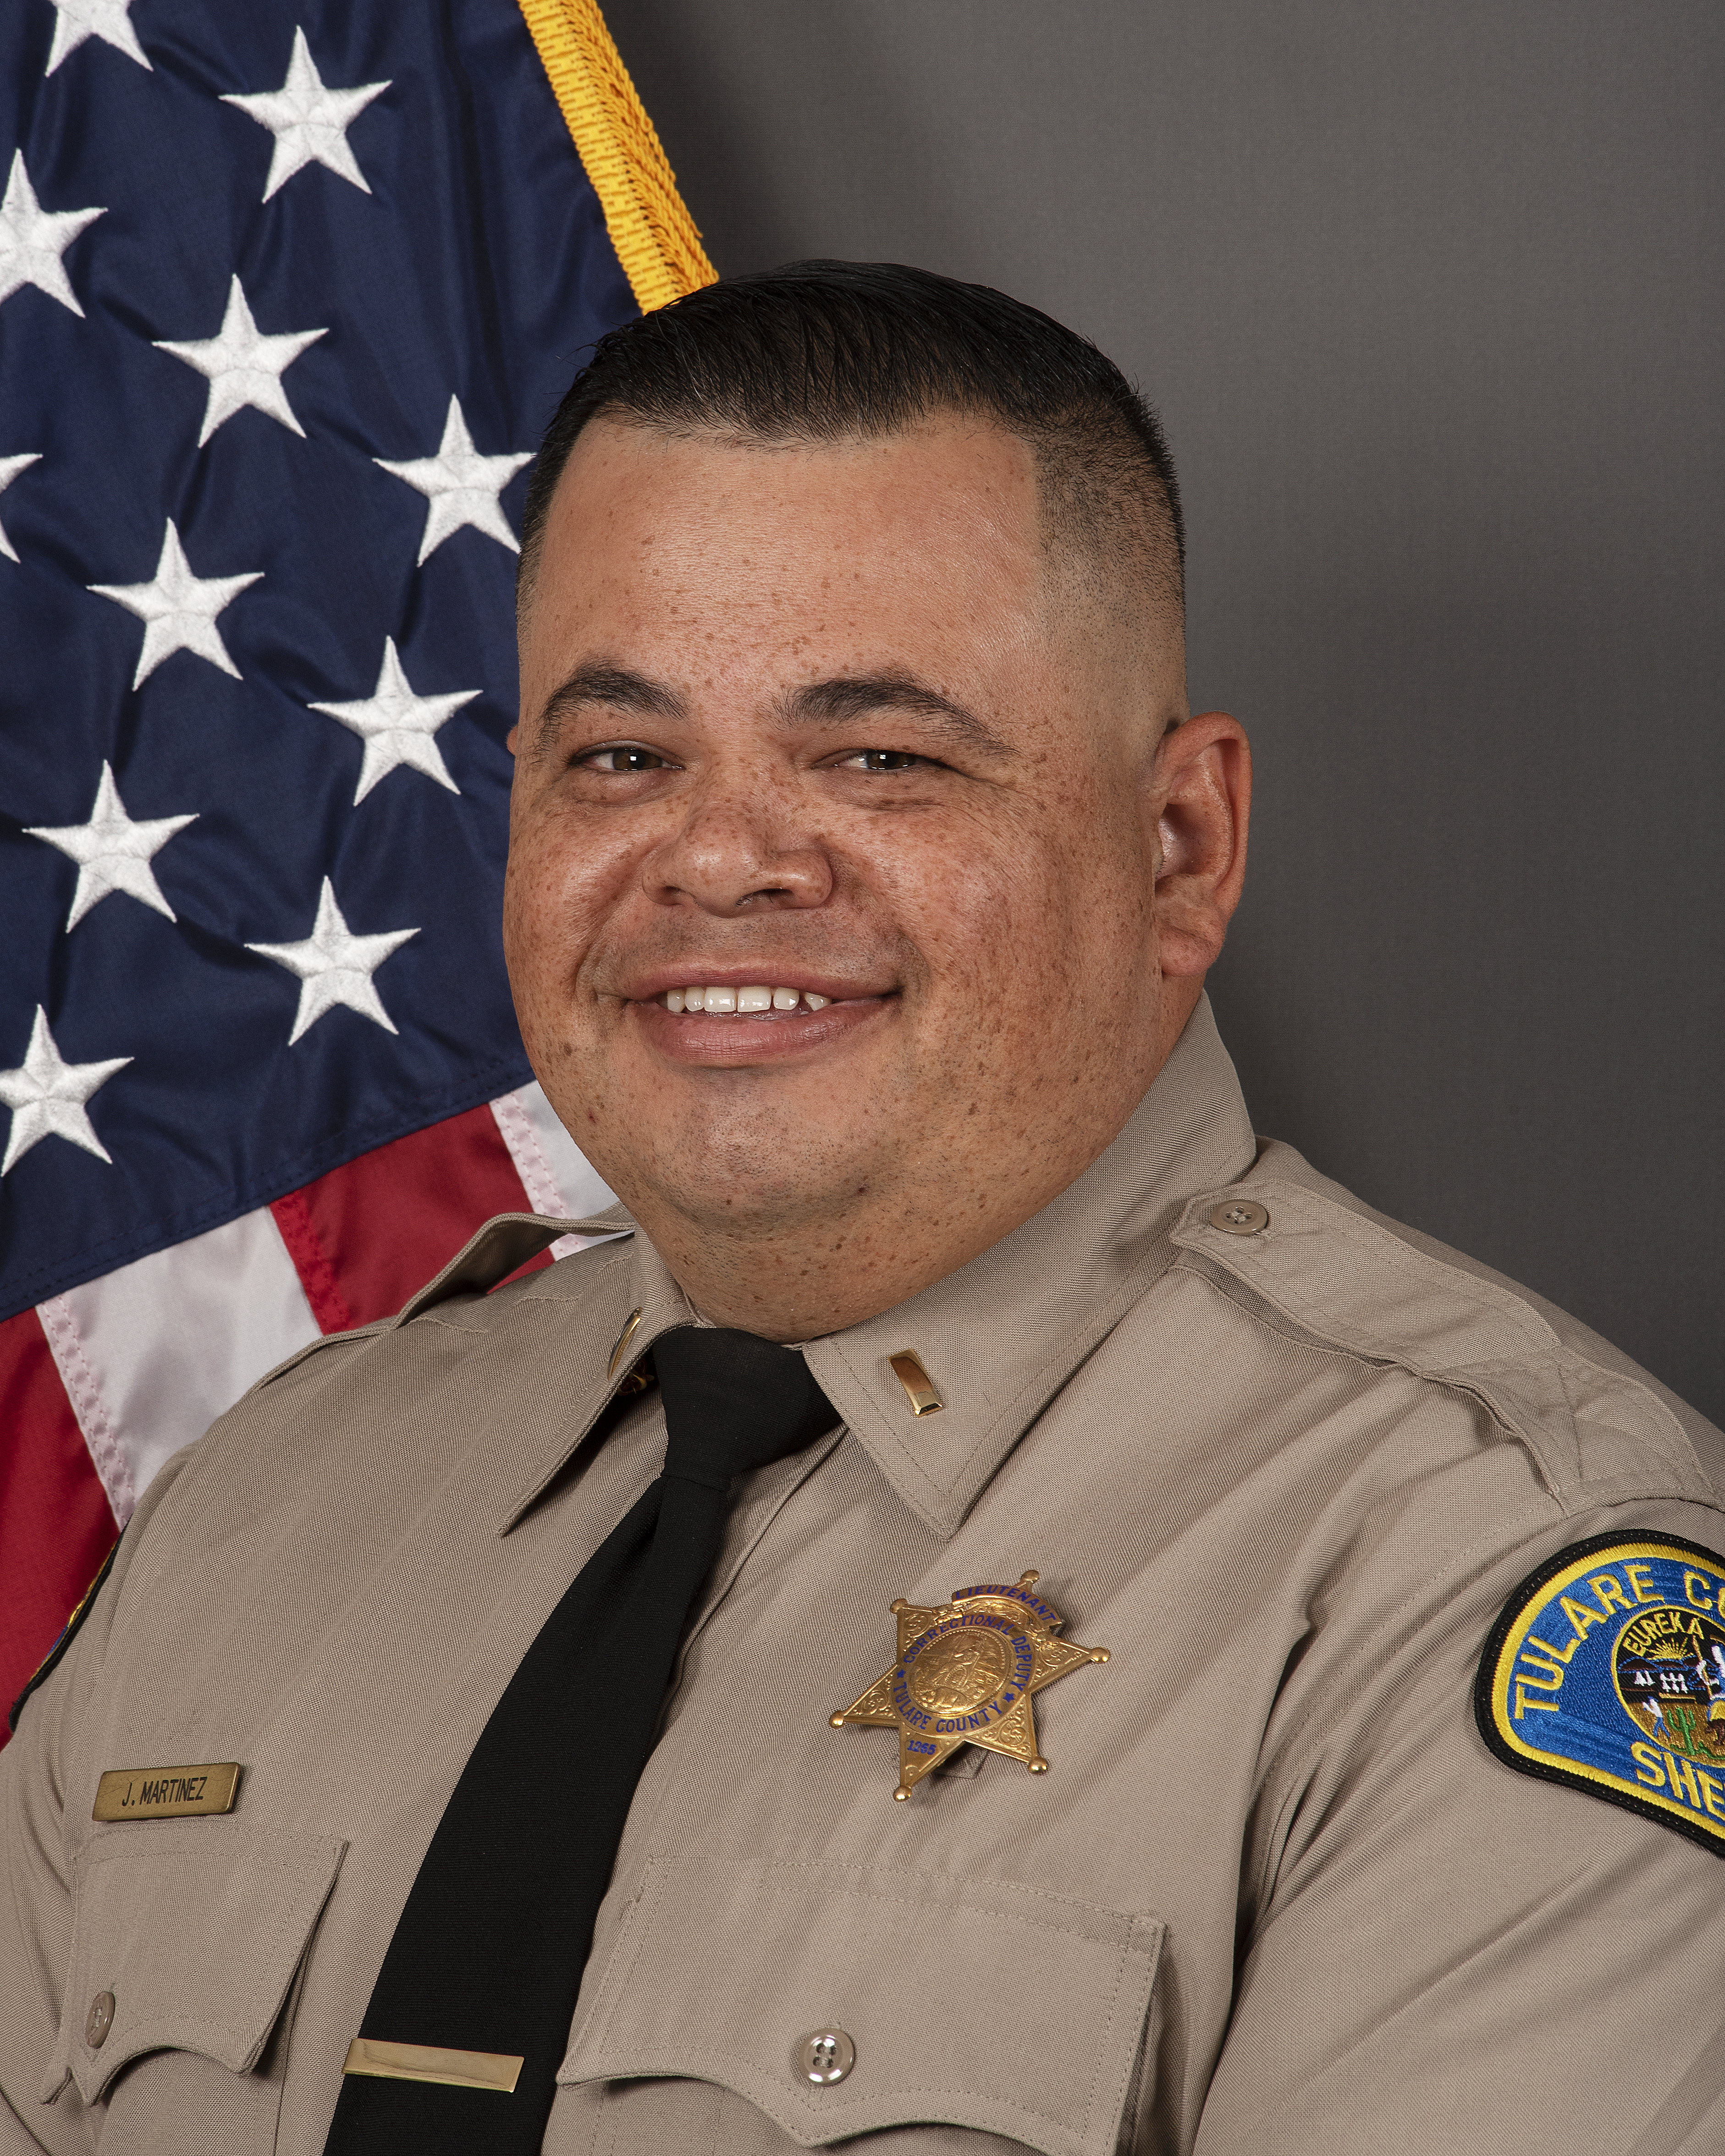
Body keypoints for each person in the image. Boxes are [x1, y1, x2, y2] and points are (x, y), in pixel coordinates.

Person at [3, 261, 1723, 2156]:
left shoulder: (1475, 1574)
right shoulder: (263, 1515)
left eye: (879, 755)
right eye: (620, 756)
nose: (721, 857)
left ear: (1180, 846)